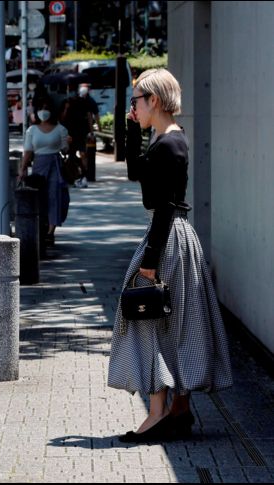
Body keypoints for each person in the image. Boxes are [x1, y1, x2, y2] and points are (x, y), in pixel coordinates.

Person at [108, 68, 233, 443]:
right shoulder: (165, 140)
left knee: (150, 320)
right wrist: (131, 128)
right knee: (171, 321)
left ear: (154, 101)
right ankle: (178, 411)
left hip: (167, 239)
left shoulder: (170, 144)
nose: (134, 107)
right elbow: (137, 176)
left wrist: (148, 262)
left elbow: (162, 207)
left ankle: (160, 412)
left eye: (136, 101)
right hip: (170, 236)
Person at [17, 100, 71, 246]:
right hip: (39, 165)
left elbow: (65, 149)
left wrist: (68, 143)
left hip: (55, 165)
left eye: (46, 108)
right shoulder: (32, 130)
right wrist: (22, 168)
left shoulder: (60, 129)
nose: (43, 112)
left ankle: (51, 230)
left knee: (54, 196)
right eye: (41, 108)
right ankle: (41, 225)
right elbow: (28, 151)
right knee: (39, 197)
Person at [60, 83, 96, 188]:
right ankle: (75, 175)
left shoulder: (83, 102)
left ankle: (83, 173)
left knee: (82, 153)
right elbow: (62, 118)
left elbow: (89, 115)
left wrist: (91, 131)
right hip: (70, 133)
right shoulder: (66, 103)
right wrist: (66, 108)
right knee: (71, 155)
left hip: (81, 133)